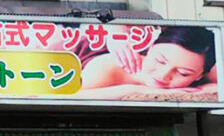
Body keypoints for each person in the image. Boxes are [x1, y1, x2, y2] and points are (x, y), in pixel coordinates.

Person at [76, 26, 217, 99]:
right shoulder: (109, 67)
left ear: (200, 75)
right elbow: (67, 97)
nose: (163, 76)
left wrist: (202, 91)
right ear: (150, 48)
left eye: (182, 73)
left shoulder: (206, 67)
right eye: (160, 61)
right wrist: (137, 90)